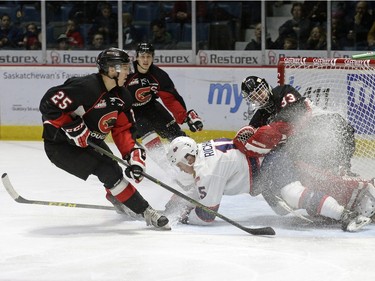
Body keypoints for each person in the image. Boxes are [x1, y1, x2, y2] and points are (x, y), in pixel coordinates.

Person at [39, 47, 170, 230]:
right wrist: (71, 126)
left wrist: (133, 156)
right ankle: (146, 211)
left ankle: (117, 196)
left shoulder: (123, 96)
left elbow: (123, 130)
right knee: (108, 171)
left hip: (90, 142)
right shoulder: (86, 87)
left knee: (112, 169)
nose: (128, 71)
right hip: (61, 146)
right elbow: (48, 103)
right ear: (111, 69)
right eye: (124, 67)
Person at [165, 136, 374, 232]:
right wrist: (172, 205)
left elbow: (207, 215)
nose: (181, 169)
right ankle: (347, 197)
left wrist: (184, 217)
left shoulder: (207, 171)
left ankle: (345, 214)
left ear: (189, 158)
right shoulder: (202, 151)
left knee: (293, 193)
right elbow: (196, 191)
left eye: (180, 164)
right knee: (285, 209)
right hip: (262, 173)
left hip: (268, 165)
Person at [240, 76, 356, 176]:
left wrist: (272, 126)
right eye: (254, 97)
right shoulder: (260, 117)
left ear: (266, 87)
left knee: (342, 126)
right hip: (299, 140)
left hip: (314, 121)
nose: (259, 97)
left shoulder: (283, 91)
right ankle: (327, 172)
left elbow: (297, 111)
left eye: (260, 92)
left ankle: (344, 168)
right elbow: (250, 138)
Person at [124, 42, 203, 155]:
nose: (145, 60)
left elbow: (170, 99)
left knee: (177, 136)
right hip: (133, 112)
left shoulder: (159, 75)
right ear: (136, 57)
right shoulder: (126, 73)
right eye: (142, 56)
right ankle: (164, 164)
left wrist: (184, 117)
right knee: (148, 135)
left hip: (152, 106)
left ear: (153, 57)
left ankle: (197, 156)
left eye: (148, 56)